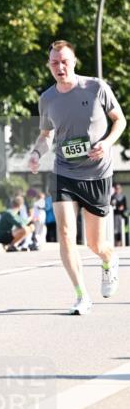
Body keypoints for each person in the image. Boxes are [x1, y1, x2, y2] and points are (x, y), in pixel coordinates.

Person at [29, 39, 127, 314]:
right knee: (65, 234)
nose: (60, 67)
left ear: (73, 62)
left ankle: (109, 260)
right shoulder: (47, 99)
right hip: (64, 171)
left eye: (64, 62)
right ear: (49, 65)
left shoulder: (96, 87)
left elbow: (119, 120)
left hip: (97, 173)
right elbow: (46, 135)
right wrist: (36, 153)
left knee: (95, 244)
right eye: (54, 63)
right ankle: (82, 295)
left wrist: (107, 143)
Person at [111, 182, 127, 246]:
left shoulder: (123, 197)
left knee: (121, 229)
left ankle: (121, 242)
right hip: (114, 215)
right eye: (116, 188)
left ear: (121, 189)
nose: (118, 189)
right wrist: (117, 207)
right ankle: (116, 242)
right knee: (115, 229)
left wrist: (123, 208)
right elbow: (112, 206)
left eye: (119, 188)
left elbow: (125, 207)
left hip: (121, 216)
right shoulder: (112, 197)